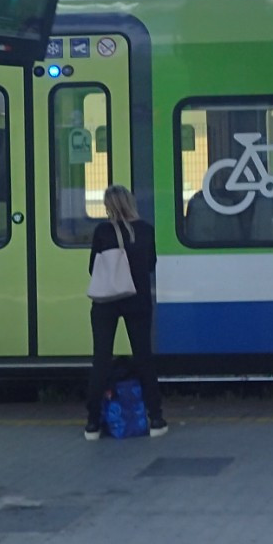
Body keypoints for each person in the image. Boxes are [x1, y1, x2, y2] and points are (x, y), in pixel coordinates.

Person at [85, 184, 164, 441]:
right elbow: (151, 264)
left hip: (106, 302)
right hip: (138, 301)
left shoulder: (102, 232)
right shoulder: (146, 231)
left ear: (108, 206)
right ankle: (156, 419)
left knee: (101, 359)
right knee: (144, 358)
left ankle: (92, 424)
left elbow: (92, 268)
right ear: (130, 202)